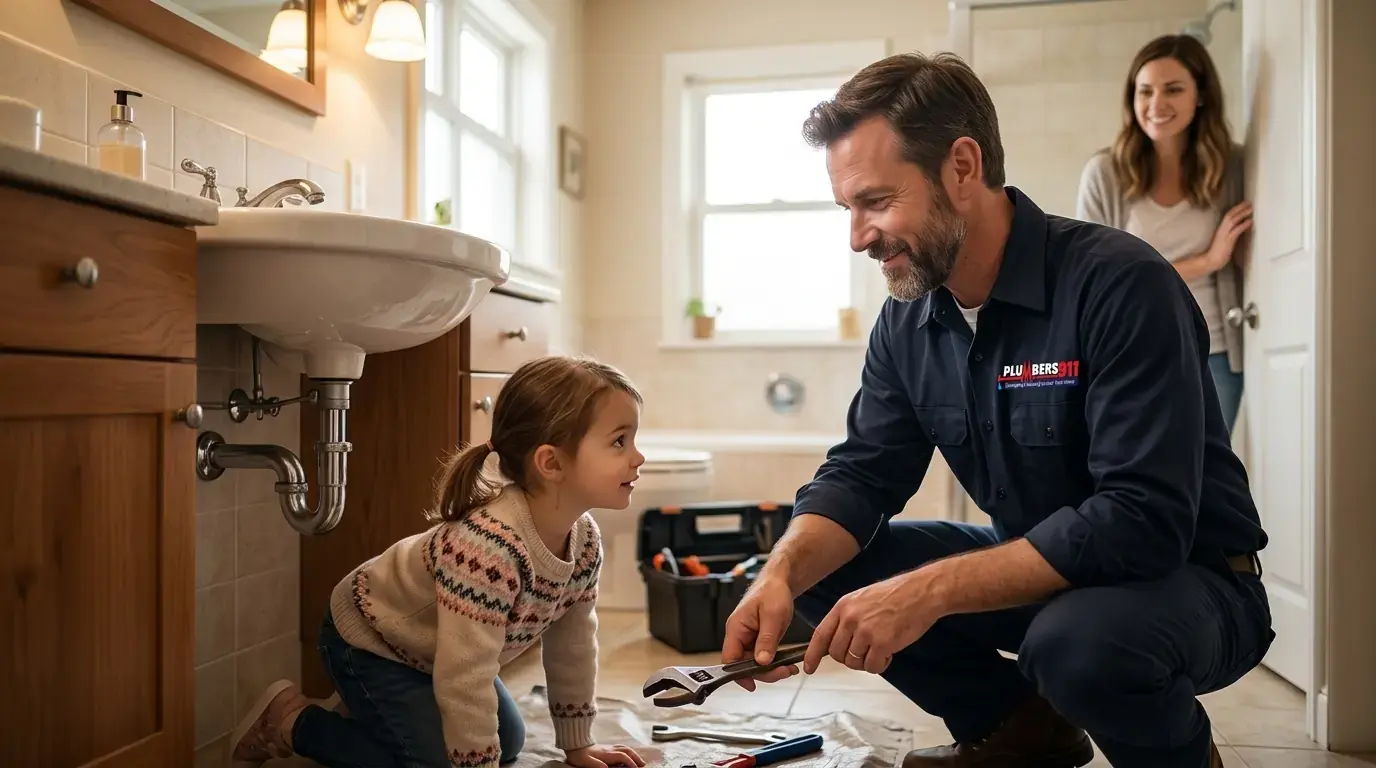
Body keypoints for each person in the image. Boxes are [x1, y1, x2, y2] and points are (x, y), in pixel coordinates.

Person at [721, 51, 1273, 768]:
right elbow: (862, 476)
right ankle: (1023, 731)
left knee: (1075, 645)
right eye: (847, 208)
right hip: (1048, 571)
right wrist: (779, 574)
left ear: (962, 166)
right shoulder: (908, 318)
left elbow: (1143, 520)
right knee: (824, 568)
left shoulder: (1122, 284)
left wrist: (929, 592)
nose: (857, 236)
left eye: (877, 202)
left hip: (1191, 583)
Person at [228, 355, 649, 768]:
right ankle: (290, 721)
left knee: (511, 741)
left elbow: (572, 644)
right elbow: (465, 680)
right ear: (551, 462)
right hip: (371, 639)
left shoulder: (585, 540)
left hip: (435, 651)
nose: (638, 456)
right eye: (619, 441)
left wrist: (577, 745)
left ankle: (376, 712)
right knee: (440, 760)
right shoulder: (488, 550)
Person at [1076, 34, 1253, 434]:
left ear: (1201, 95)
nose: (1156, 105)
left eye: (1173, 89)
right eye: (1145, 91)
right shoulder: (1105, 174)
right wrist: (1207, 261)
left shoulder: (1234, 166)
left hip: (1217, 352)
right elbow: (1095, 278)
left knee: (1209, 478)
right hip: (1136, 348)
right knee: (1148, 474)